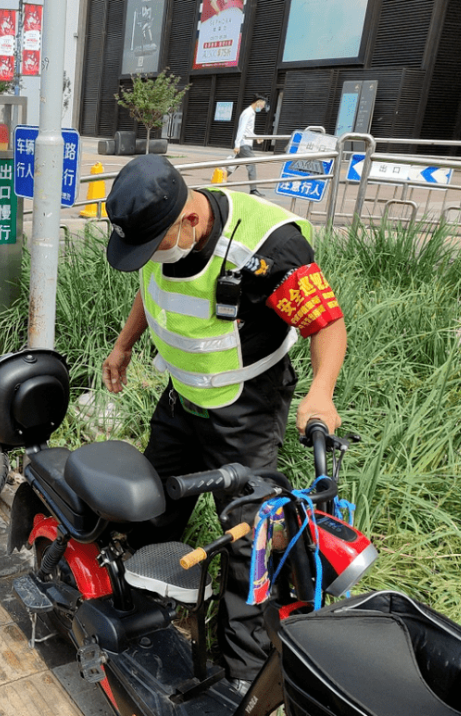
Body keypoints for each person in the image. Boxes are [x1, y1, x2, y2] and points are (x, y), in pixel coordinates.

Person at [101, 155, 346, 694]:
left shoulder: (266, 247)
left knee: (248, 541)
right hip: (182, 399)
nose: (151, 254)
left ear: (188, 221)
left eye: (155, 242)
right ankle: (147, 610)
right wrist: (123, 346)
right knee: (156, 505)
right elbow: (153, 284)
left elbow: (325, 322)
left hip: (245, 410)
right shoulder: (162, 236)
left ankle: (242, 676)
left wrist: (321, 392)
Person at [232, 94, 268, 196]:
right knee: (252, 164)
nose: (262, 108)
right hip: (244, 145)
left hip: (244, 143)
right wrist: (237, 144)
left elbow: (247, 131)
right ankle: (253, 190)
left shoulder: (251, 113)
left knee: (232, 166)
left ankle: (218, 178)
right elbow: (242, 129)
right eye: (262, 105)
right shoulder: (248, 113)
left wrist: (255, 137)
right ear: (258, 102)